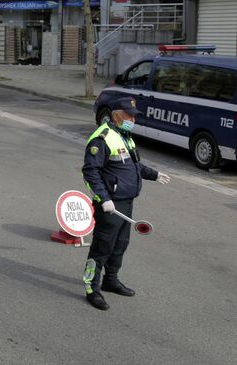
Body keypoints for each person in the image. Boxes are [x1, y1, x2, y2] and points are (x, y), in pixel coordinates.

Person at [82, 96, 171, 311]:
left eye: (134, 116)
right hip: (110, 205)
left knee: (120, 244)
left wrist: (154, 174)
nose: (133, 119)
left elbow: (133, 165)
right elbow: (90, 173)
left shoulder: (124, 136)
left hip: (126, 201)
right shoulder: (101, 138)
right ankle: (91, 288)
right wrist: (104, 199)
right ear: (117, 115)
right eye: (130, 115)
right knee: (102, 247)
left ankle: (110, 280)